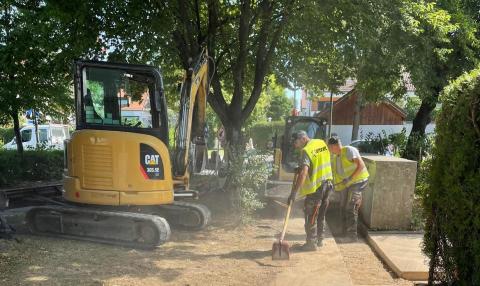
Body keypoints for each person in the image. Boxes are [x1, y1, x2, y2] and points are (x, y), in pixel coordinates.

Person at [287, 130, 333, 251]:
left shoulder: (306, 151)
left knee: (311, 215)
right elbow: (319, 161)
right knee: (321, 214)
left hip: (316, 188)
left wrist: (294, 193)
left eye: (296, 142)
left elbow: (304, 173)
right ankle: (320, 239)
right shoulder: (321, 143)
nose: (295, 146)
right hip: (328, 184)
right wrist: (302, 167)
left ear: (302, 139)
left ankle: (311, 244)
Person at [327, 136, 369, 242]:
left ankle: (352, 236)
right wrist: (334, 186)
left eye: (330, 148)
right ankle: (343, 232)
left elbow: (361, 165)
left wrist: (350, 178)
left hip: (358, 181)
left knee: (351, 207)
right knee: (342, 206)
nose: (330, 150)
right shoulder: (336, 157)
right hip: (348, 184)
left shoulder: (349, 150)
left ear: (334, 146)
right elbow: (338, 175)